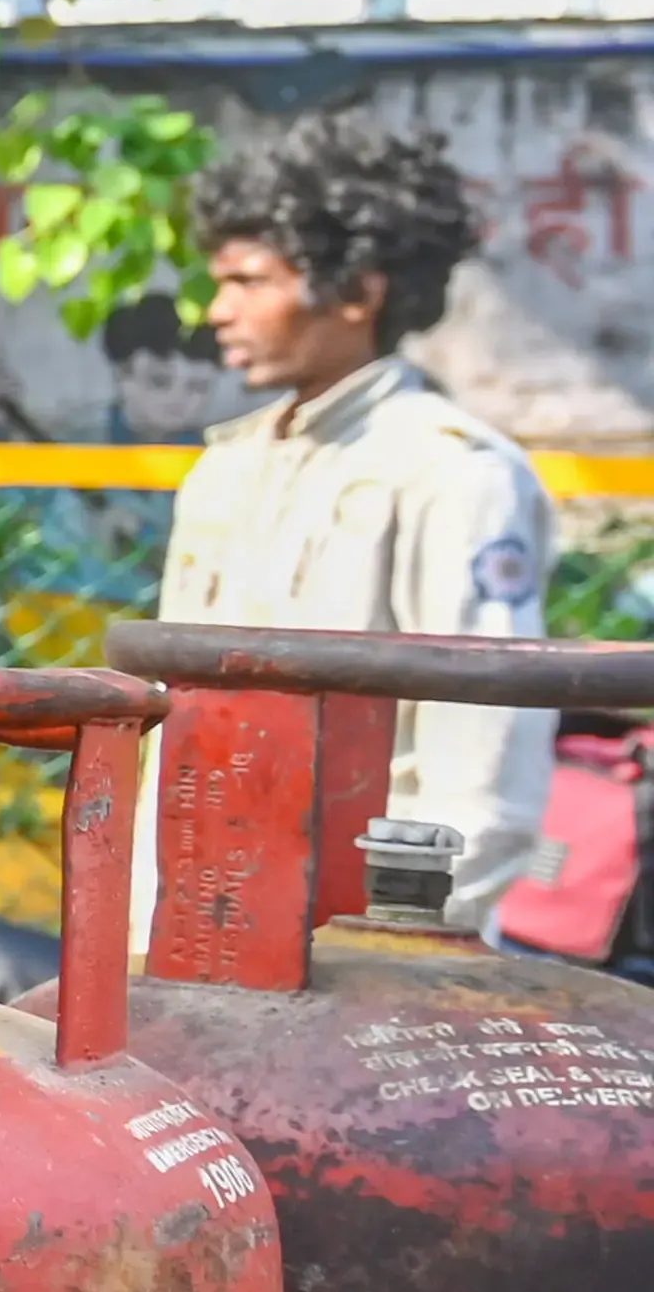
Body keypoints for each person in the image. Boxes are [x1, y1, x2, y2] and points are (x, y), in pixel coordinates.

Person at [161, 111, 561, 906]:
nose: (216, 309)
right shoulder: (226, 468)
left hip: (364, 949)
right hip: (198, 926)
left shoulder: (454, 473)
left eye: (248, 280)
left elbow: (483, 777)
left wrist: (384, 950)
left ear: (358, 292)